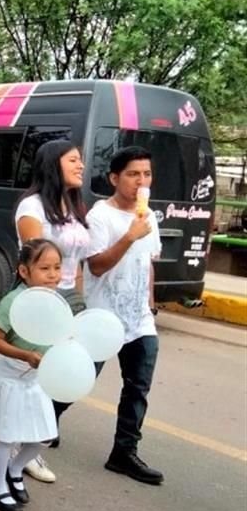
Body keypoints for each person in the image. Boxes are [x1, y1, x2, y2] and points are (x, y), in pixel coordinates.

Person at [84, 146, 164, 485]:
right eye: (133, 174)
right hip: (102, 317)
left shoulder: (150, 217)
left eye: (146, 174)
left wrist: (151, 304)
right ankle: (43, 425)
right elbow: (97, 265)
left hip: (139, 319)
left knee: (137, 388)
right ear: (115, 178)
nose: (141, 181)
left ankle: (124, 452)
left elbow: (148, 264)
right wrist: (129, 236)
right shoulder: (99, 216)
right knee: (79, 379)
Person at [14, 139, 90, 482]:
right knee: (34, 376)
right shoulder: (32, 207)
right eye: (73, 160)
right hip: (41, 301)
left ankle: (33, 437)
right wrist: (49, 311)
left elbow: (78, 264)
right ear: (53, 165)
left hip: (70, 299)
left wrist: (79, 302)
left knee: (73, 370)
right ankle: (22, 446)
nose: (81, 166)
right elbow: (35, 262)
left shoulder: (74, 206)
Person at [0, 239, 63, 511]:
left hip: (36, 380)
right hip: (11, 378)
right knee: (7, 438)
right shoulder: (13, 302)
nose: (53, 275)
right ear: (24, 271)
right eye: (45, 268)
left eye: (57, 267)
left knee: (45, 436)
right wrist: (26, 355)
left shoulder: (54, 301)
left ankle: (15, 470)